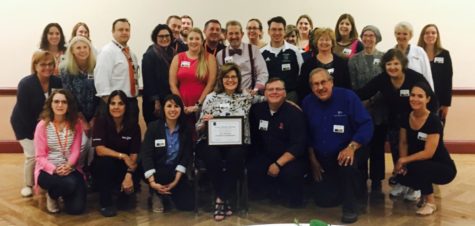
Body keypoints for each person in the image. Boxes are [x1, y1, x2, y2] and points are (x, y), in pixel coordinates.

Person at [357, 49, 437, 202]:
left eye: (396, 63)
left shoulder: (415, 77)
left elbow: (431, 99)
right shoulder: (383, 79)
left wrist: (429, 122)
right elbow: (364, 93)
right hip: (396, 124)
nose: (392, 67)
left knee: (414, 152)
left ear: (403, 64)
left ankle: (416, 185)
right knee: (397, 153)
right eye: (389, 64)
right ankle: (402, 181)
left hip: (416, 122)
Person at [302, 68, 373, 224]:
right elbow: (306, 134)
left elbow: (366, 125)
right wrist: (312, 160)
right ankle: (345, 189)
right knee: (324, 201)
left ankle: (350, 208)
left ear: (331, 82)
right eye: (315, 84)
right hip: (322, 155)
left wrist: (352, 147)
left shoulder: (348, 97)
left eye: (323, 82)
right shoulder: (307, 102)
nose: (320, 88)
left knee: (346, 164)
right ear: (311, 87)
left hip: (349, 150)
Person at [196, 63, 265, 221]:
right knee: (212, 157)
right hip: (211, 140)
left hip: (238, 142)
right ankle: (224, 198)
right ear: (221, 79)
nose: (230, 80)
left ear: (239, 79)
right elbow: (198, 126)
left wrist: (289, 102)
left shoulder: (246, 96)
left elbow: (268, 98)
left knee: (236, 155)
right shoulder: (211, 97)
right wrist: (205, 122)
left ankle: (220, 198)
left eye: (234, 77)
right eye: (227, 77)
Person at [395, 82, 456, 215]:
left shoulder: (434, 121)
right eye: (413, 95)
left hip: (444, 167)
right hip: (420, 162)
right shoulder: (405, 117)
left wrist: (404, 160)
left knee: (419, 167)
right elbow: (403, 142)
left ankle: (431, 203)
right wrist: (402, 163)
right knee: (402, 175)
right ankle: (423, 195)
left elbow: (429, 153)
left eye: (420, 96)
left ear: (427, 99)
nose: (415, 99)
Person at [11, 50, 63, 198]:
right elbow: (23, 112)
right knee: (32, 155)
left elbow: (57, 104)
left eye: (50, 64)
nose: (47, 67)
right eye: (43, 64)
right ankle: (28, 184)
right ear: (35, 66)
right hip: (24, 124)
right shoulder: (26, 84)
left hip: (45, 124)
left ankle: (41, 182)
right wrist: (37, 133)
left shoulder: (57, 82)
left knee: (45, 154)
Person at [248, 78, 307, 208]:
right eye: (270, 89)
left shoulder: (295, 113)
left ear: (285, 93)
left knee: (290, 174)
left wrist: (278, 164)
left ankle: (291, 198)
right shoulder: (256, 110)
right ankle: (269, 193)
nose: (274, 92)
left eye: (278, 89)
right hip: (266, 154)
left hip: (290, 158)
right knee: (253, 168)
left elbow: (299, 144)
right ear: (264, 93)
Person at [34, 89, 86, 214]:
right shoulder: (42, 125)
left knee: (76, 210)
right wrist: (54, 169)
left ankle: (64, 193)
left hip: (69, 167)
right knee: (70, 183)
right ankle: (52, 195)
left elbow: (76, 150)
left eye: (64, 102)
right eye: (56, 101)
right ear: (50, 104)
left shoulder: (76, 124)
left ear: (69, 105)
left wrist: (68, 165)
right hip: (47, 170)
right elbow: (40, 156)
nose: (60, 105)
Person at [348, 25, 386, 193]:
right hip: (360, 107)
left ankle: (377, 180)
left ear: (377, 38)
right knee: (362, 144)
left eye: (372, 35)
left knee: (378, 146)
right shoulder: (353, 59)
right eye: (365, 35)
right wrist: (362, 101)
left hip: (380, 109)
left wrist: (371, 100)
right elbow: (353, 84)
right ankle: (361, 178)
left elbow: (385, 83)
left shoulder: (385, 57)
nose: (368, 38)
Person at [141, 94, 195, 212]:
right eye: (169, 106)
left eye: (176, 106)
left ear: (181, 109)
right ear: (163, 109)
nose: (172, 109)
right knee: (158, 174)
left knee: (188, 206)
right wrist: (152, 182)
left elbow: (186, 156)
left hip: (175, 172)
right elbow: (146, 155)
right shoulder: (153, 127)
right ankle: (156, 193)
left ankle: (168, 193)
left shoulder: (186, 129)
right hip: (157, 171)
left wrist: (176, 181)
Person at [91, 90, 141, 217]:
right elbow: (100, 150)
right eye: (112, 103)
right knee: (105, 163)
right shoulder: (101, 121)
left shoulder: (133, 125)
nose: (116, 107)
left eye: (120, 103)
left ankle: (124, 190)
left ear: (126, 106)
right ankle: (105, 203)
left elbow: (134, 154)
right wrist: (122, 155)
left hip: (124, 167)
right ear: (108, 106)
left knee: (125, 205)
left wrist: (129, 175)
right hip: (104, 165)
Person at [169, 27, 217, 138]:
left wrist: (198, 105)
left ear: (202, 41)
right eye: (191, 38)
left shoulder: (209, 58)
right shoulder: (178, 58)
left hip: (203, 105)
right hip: (182, 106)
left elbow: (211, 83)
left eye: (197, 38)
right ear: (187, 40)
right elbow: (172, 84)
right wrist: (181, 105)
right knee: (184, 137)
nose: (193, 41)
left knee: (201, 137)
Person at [60, 36, 99, 170]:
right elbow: (69, 97)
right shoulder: (65, 70)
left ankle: (91, 173)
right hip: (76, 116)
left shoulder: (97, 66)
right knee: (81, 146)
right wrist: (82, 120)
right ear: (72, 51)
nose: (82, 50)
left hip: (96, 115)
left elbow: (101, 93)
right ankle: (79, 171)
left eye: (85, 47)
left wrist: (94, 118)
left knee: (94, 146)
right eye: (78, 48)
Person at [94, 18, 140, 123]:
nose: (124, 32)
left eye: (127, 30)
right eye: (120, 30)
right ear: (113, 32)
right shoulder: (107, 52)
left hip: (131, 103)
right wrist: (114, 106)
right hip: (114, 106)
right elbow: (101, 82)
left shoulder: (131, 54)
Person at [298, 28, 351, 103]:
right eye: (321, 40)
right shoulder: (307, 64)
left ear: (332, 43)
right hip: (314, 103)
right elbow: (303, 88)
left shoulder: (341, 63)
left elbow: (347, 86)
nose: (324, 42)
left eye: (327, 40)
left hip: (338, 102)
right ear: (316, 42)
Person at [216, 20, 269, 93]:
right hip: (229, 97)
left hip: (251, 95)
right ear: (226, 35)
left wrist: (256, 89)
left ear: (242, 34)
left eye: (237, 33)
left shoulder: (254, 50)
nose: (234, 36)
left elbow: (263, 73)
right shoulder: (220, 55)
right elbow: (219, 78)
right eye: (231, 33)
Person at [261, 16, 303, 103]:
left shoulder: (294, 51)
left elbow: (301, 75)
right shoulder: (261, 52)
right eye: (273, 29)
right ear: (268, 31)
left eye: (280, 29)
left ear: (284, 31)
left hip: (290, 96)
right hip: (270, 96)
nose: (277, 32)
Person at [417, 24, 453, 124]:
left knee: (437, 130)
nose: (430, 35)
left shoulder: (444, 54)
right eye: (427, 33)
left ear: (437, 35)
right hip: (419, 100)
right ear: (422, 36)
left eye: (433, 33)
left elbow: (448, 80)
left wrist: (446, 104)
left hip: (439, 101)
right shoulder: (417, 54)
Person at [141, 24, 176, 124]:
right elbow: (148, 81)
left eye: (167, 36)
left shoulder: (174, 53)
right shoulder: (150, 55)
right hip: (154, 104)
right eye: (161, 36)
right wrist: (156, 101)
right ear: (155, 38)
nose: (164, 38)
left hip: (170, 100)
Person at [394, 22, 434, 90]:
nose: (401, 36)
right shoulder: (390, 53)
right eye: (398, 33)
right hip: (396, 92)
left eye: (405, 34)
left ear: (410, 36)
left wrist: (431, 94)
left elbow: (427, 74)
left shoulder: (419, 51)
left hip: (416, 93)